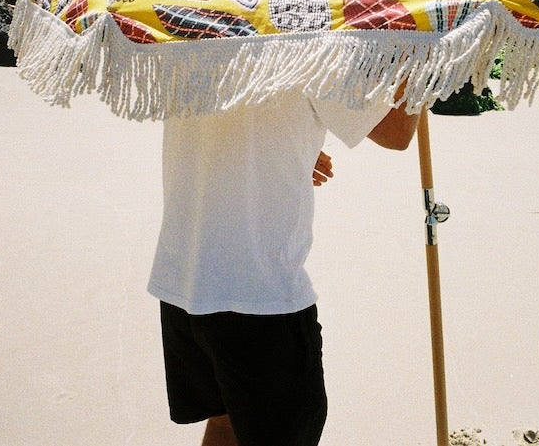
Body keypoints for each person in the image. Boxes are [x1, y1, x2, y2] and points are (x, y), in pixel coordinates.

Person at [148, 85, 420, 446]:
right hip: (259, 298)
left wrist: (294, 147)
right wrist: (423, 58)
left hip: (185, 280)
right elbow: (397, 132)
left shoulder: (194, 39)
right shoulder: (309, 46)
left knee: (226, 423)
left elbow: (235, 128)